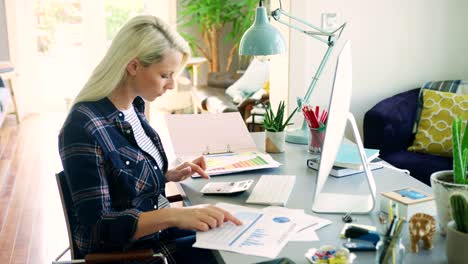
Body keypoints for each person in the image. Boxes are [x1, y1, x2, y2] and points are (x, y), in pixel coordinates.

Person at [58, 15, 242, 263]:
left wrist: (167, 175)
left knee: (235, 233)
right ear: (133, 66)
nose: (171, 85)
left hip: (159, 233)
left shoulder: (134, 106)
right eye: (165, 75)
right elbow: (96, 228)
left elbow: (120, 179)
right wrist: (175, 216)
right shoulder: (83, 127)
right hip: (138, 253)